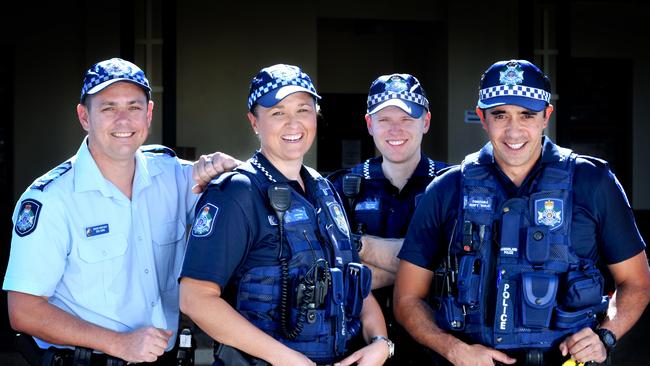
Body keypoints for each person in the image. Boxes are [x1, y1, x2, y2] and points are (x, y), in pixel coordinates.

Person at [393, 59, 650, 366]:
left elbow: (636, 283)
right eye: (500, 115)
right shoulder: (448, 188)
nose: (513, 131)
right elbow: (406, 298)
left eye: (527, 115)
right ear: (482, 118)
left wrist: (605, 336)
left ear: (546, 116)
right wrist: (453, 349)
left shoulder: (592, 182)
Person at [3, 58, 238, 365]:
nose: (123, 120)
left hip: (165, 358)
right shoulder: (52, 199)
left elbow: (236, 194)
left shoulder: (175, 177)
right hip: (88, 360)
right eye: (108, 108)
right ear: (84, 116)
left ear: (149, 113)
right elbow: (23, 311)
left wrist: (226, 170)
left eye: (134, 107)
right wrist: (118, 343)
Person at [179, 64, 391, 366]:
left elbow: (353, 280)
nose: (294, 124)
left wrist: (380, 342)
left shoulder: (324, 190)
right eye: (278, 113)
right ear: (254, 121)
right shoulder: (237, 192)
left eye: (303, 110)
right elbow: (196, 298)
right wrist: (290, 361)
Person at [328, 73, 448, 365]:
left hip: (436, 348)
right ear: (370, 125)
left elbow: (463, 266)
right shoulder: (339, 187)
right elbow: (330, 272)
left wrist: (362, 249)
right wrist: (431, 271)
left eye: (407, 119)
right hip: (360, 350)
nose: (396, 129)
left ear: (426, 122)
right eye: (384, 119)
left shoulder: (453, 184)